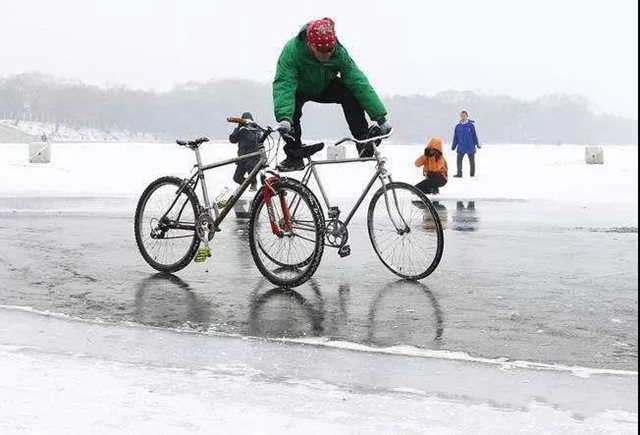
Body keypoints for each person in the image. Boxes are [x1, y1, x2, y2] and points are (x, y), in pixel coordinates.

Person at [273, 17, 392, 172]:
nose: (326, 56)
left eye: (329, 51)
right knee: (291, 116)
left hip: (324, 85)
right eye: (321, 52)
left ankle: (362, 140)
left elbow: (359, 82)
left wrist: (381, 118)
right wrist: (284, 118)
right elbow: (284, 84)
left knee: (350, 92)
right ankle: (294, 157)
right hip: (297, 89)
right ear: (310, 44)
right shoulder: (292, 51)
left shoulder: (339, 53)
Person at [229, 112, 260, 191]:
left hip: (253, 156)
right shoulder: (240, 129)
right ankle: (246, 185)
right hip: (242, 156)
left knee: (249, 166)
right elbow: (232, 140)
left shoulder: (255, 128)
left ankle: (254, 183)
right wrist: (238, 129)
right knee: (236, 178)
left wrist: (247, 131)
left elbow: (254, 140)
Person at [451, 111, 480, 177]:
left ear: (467, 116)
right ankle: (459, 174)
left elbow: (474, 136)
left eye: (464, 115)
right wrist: (453, 146)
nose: (463, 117)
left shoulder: (471, 126)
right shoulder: (458, 126)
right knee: (459, 161)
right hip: (461, 147)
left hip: (470, 147)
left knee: (472, 162)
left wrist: (477, 144)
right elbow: (455, 137)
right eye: (461, 116)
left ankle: (472, 174)